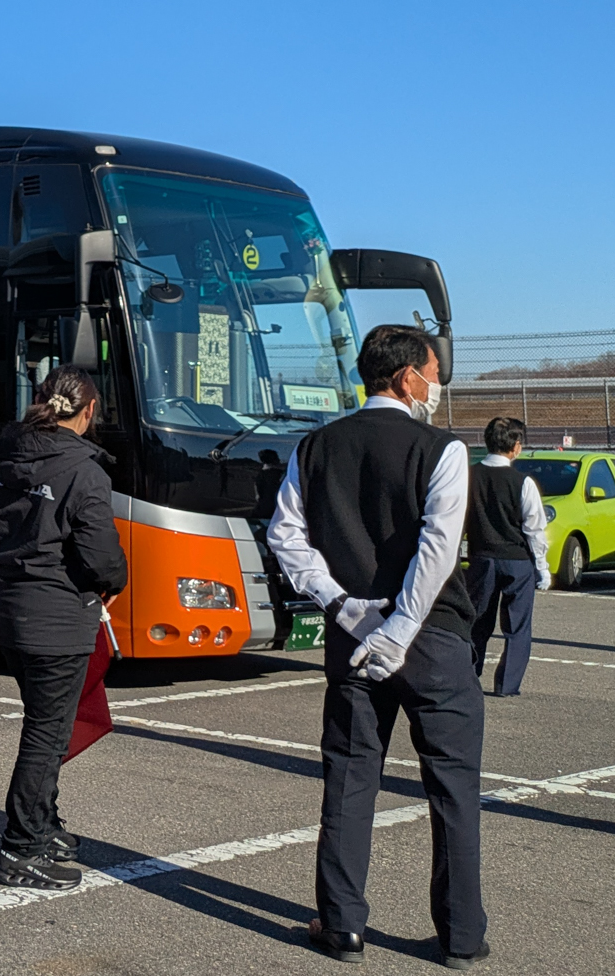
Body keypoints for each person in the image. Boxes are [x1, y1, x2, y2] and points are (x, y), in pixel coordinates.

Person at [266, 323, 487, 968]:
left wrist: (341, 604)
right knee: (453, 791)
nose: (437, 386)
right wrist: (400, 626)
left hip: (352, 639)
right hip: (436, 640)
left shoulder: (315, 446)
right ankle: (460, 937)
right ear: (406, 377)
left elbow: (286, 537)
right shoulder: (441, 450)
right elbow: (437, 549)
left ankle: (341, 924)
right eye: (433, 372)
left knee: (350, 777)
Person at [0, 364, 127, 891]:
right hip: (57, 615)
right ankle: (21, 847)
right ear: (88, 412)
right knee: (46, 732)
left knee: (44, 721)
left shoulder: (5, 455)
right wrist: (113, 581)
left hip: (8, 607)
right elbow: (102, 557)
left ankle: (44, 825)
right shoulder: (84, 471)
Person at [466, 416, 549, 697]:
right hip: (517, 560)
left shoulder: (468, 476)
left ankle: (468, 675)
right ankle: (507, 685)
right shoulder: (522, 482)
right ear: (515, 446)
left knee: (477, 620)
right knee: (517, 627)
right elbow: (535, 529)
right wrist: (543, 569)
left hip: (480, 558)